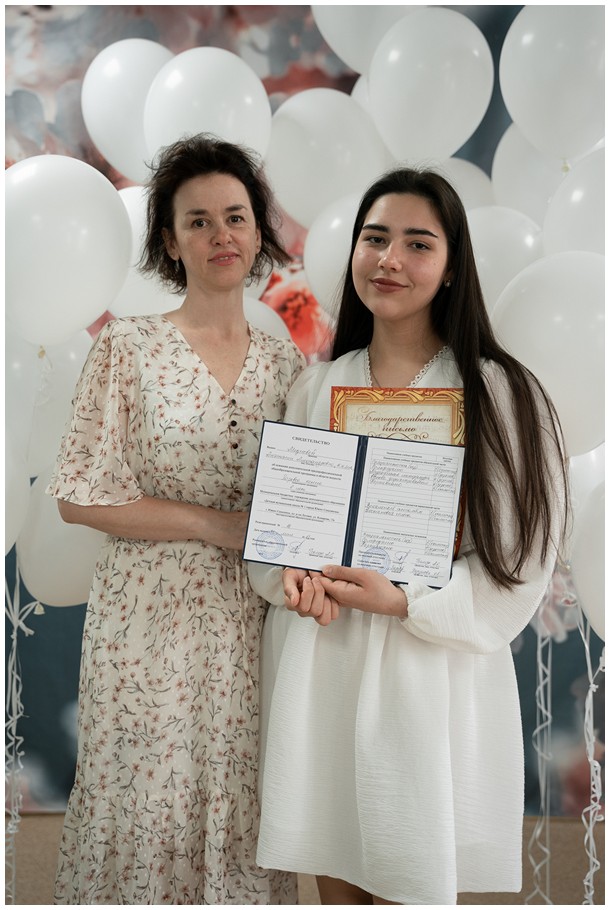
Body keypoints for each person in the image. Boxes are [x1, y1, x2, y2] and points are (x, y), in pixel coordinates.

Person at [248, 167, 569, 905]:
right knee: (330, 875)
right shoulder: (316, 387)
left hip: (429, 673)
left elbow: (521, 561)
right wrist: (292, 577)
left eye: (418, 244)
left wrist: (407, 601)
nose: (389, 259)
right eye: (375, 238)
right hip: (322, 664)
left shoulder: (497, 394)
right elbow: (278, 537)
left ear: (452, 267)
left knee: (412, 872)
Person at [48, 133, 305, 905]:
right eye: (199, 221)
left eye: (235, 217)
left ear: (257, 232)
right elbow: (78, 495)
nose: (221, 235)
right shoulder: (129, 346)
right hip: (145, 626)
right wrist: (214, 525)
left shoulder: (287, 363)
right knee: (145, 806)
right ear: (170, 240)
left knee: (238, 806)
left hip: (251, 627)